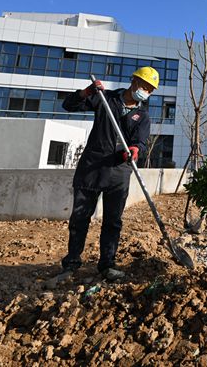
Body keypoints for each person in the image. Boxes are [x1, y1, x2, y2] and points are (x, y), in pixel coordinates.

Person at [59, 67, 158, 281]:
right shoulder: (105, 99)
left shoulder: (143, 116)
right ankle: (71, 263)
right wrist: (85, 93)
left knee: (113, 221)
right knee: (79, 217)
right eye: (144, 85)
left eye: (150, 89)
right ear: (133, 81)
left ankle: (107, 265)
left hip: (118, 173)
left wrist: (134, 151)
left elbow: (139, 142)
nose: (145, 91)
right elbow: (68, 106)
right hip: (91, 168)